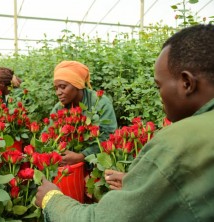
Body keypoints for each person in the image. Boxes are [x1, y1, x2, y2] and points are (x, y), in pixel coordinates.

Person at [35, 24, 214, 221]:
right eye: (56, 88)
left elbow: (104, 218)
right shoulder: (58, 110)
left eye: (158, 86)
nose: (58, 92)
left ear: (187, 83)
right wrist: (139, 184)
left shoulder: (175, 142)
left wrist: (52, 198)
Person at [50, 61, 118, 166]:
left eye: (63, 87)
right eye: (56, 88)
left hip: (98, 164)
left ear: (77, 85)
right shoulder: (59, 107)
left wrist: (81, 156)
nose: (58, 92)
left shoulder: (100, 103)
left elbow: (109, 137)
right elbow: (48, 133)